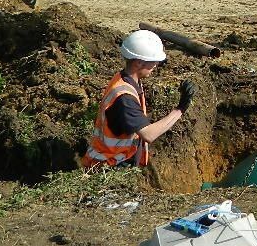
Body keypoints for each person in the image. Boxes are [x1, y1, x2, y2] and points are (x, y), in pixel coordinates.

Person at [82, 30, 195, 168]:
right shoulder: (125, 98)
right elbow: (149, 135)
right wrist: (180, 109)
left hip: (113, 159)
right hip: (109, 164)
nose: (156, 65)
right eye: (153, 61)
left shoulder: (124, 79)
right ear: (139, 62)